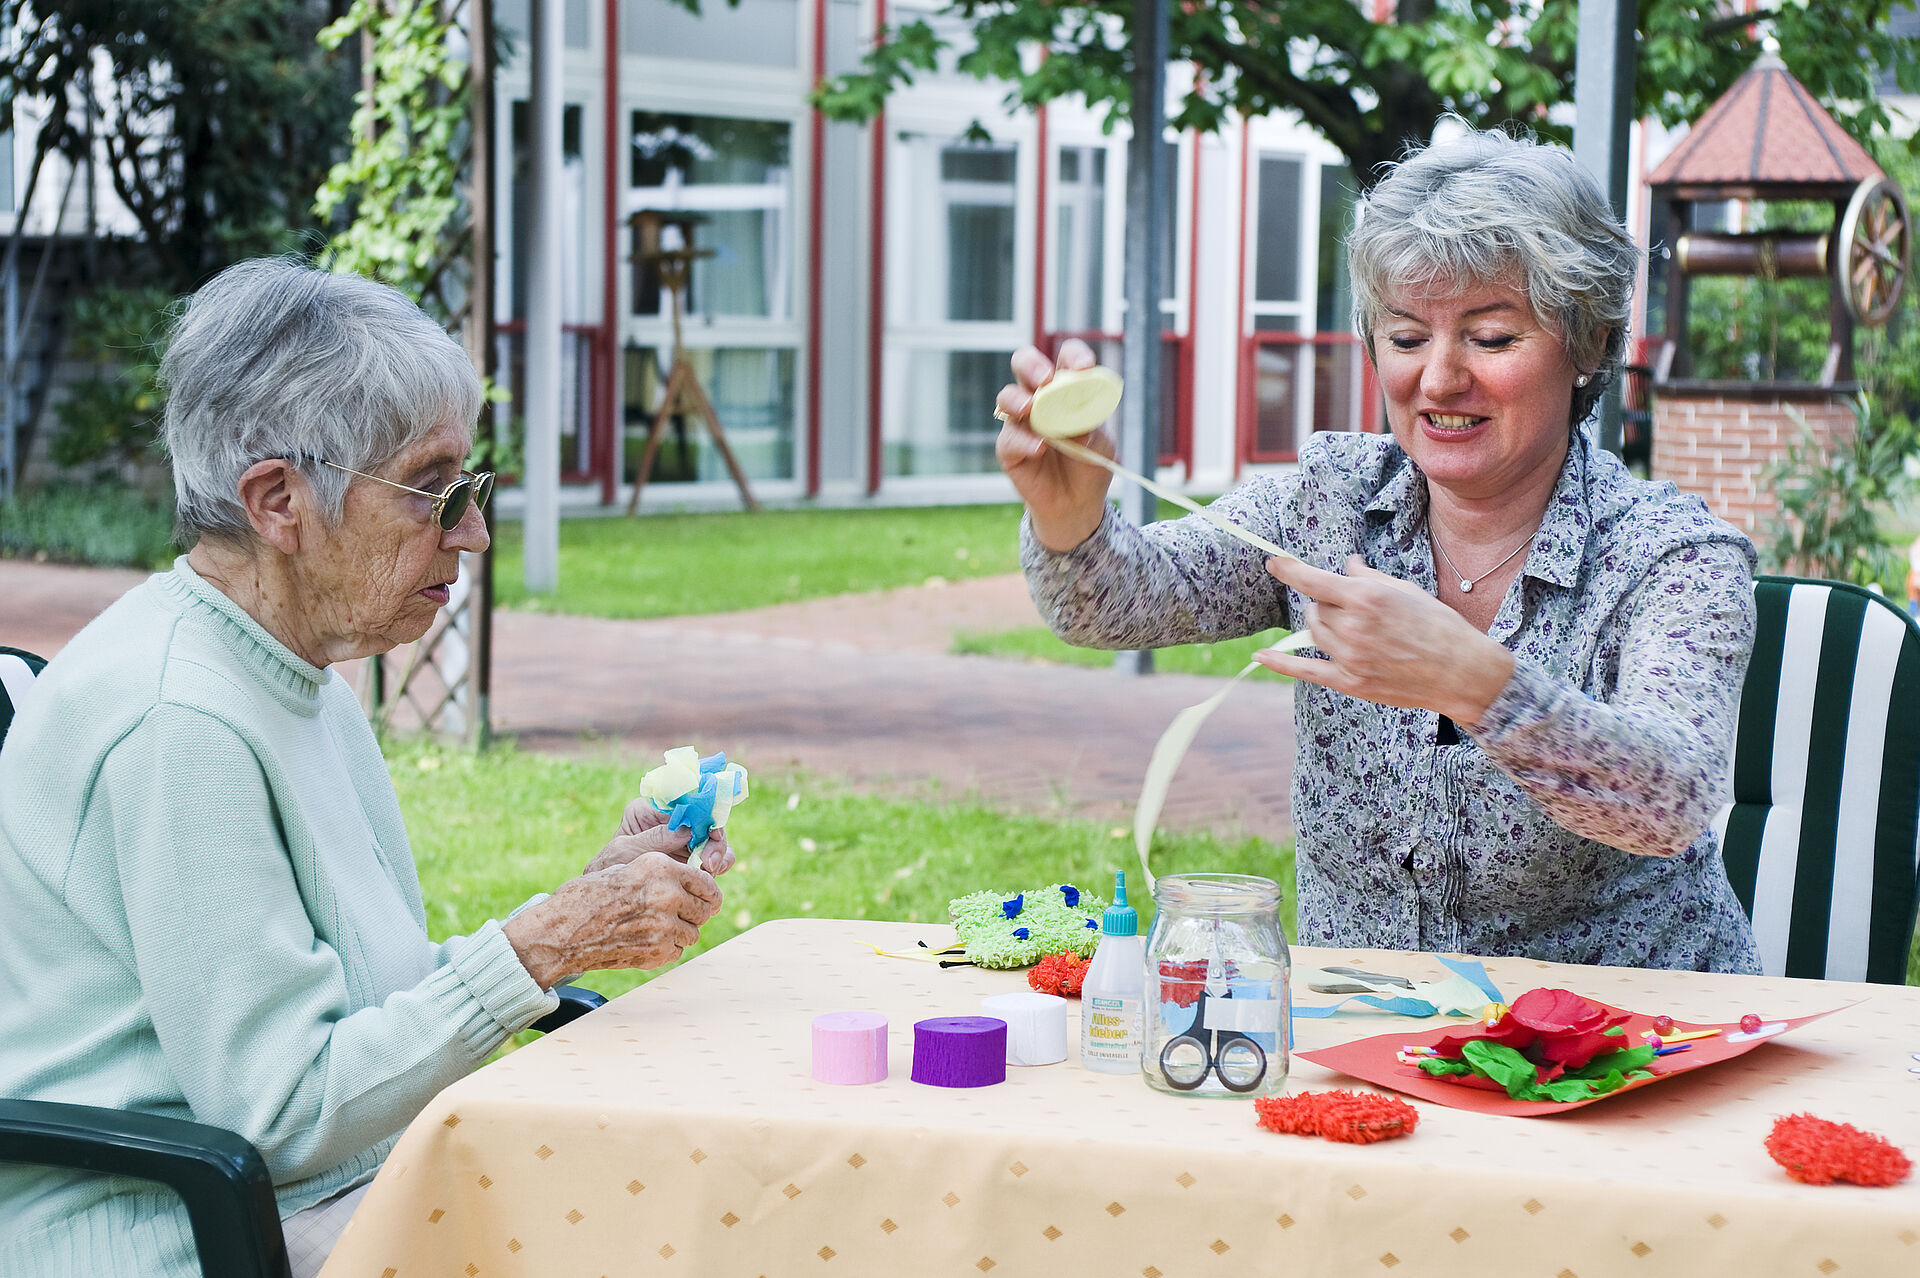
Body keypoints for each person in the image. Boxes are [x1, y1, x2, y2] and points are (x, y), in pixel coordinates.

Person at [0, 259, 732, 1276]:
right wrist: (534, 952)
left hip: (308, 1198)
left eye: (473, 486)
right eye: (435, 492)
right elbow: (284, 1110)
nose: (473, 533)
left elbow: (354, 1010)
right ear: (278, 502)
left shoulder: (288, 667)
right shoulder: (178, 719)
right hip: (176, 1238)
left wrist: (576, 909)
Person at [996, 126, 1760, 973]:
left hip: (1621, 1048)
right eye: (1405, 338)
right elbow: (1115, 601)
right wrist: (1068, 516)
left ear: (1586, 346)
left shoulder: (1672, 555)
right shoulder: (1330, 500)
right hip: (1365, 1035)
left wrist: (1473, 683)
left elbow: (1671, 801)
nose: (1438, 380)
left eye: (1492, 337)